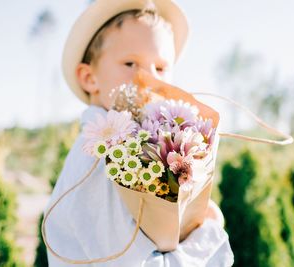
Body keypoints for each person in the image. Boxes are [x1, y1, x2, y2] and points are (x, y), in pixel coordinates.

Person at [43, 0, 234, 266]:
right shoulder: (104, 161)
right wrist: (209, 231)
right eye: (130, 63)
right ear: (89, 78)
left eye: (161, 68)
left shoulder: (137, 152)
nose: (148, 79)